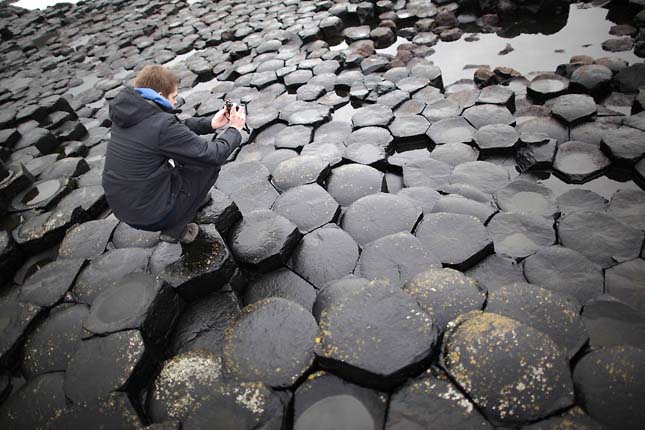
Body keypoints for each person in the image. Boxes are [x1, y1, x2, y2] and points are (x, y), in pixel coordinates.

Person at [102, 65, 246, 244]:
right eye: (174, 97)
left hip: (124, 209)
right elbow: (213, 154)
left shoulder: (128, 115)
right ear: (161, 96)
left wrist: (210, 123)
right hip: (151, 215)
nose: (176, 102)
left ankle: (190, 201)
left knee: (181, 158)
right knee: (206, 163)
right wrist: (234, 129)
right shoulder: (160, 125)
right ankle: (175, 229)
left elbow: (173, 132)